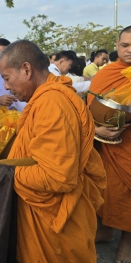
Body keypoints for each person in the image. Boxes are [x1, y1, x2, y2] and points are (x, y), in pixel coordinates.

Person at [0, 40, 106, 262]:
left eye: (7, 78)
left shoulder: (52, 103)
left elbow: (58, 177)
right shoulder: (44, 97)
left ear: (27, 70)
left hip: (56, 226)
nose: (5, 87)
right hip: (41, 216)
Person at [88, 26, 131, 262]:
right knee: (104, 187)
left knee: (127, 191)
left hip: (129, 142)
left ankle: (127, 239)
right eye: (125, 45)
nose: (130, 50)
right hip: (105, 141)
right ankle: (104, 230)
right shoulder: (107, 73)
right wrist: (97, 128)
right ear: (117, 45)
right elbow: (89, 106)